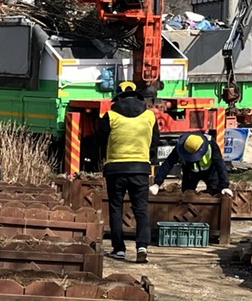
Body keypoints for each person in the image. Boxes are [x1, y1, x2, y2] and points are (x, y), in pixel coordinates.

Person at [98, 83, 157, 263]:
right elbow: (155, 142)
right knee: (141, 209)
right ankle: (142, 246)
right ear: (138, 97)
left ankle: (119, 249)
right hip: (140, 169)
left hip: (115, 169)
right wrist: (148, 159)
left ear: (118, 98)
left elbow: (100, 140)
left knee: (116, 208)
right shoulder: (149, 116)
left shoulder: (110, 115)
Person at [151, 131, 233, 197]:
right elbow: (169, 163)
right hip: (190, 173)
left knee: (216, 193)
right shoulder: (182, 146)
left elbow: (220, 164)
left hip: (210, 172)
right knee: (187, 196)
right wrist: (157, 183)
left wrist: (224, 186)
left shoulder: (210, 144)